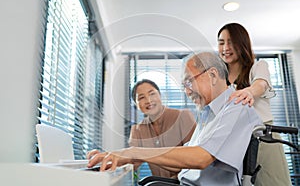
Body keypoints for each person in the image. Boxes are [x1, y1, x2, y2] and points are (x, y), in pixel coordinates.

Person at [86, 52, 262, 186]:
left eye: (188, 82)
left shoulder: (237, 107)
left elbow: (200, 158)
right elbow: (184, 163)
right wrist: (120, 156)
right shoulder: (208, 114)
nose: (186, 91)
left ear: (213, 75)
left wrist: (133, 152)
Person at [217, 22, 291, 186]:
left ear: (242, 43)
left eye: (231, 42)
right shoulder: (219, 80)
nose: (225, 47)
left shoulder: (258, 66)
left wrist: (249, 92)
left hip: (263, 137)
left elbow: (261, 84)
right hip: (235, 142)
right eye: (221, 42)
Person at [129, 79, 196, 178]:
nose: (148, 100)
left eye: (152, 94)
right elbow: (131, 162)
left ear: (160, 95)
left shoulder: (183, 117)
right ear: (136, 104)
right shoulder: (138, 130)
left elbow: (195, 158)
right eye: (142, 97)